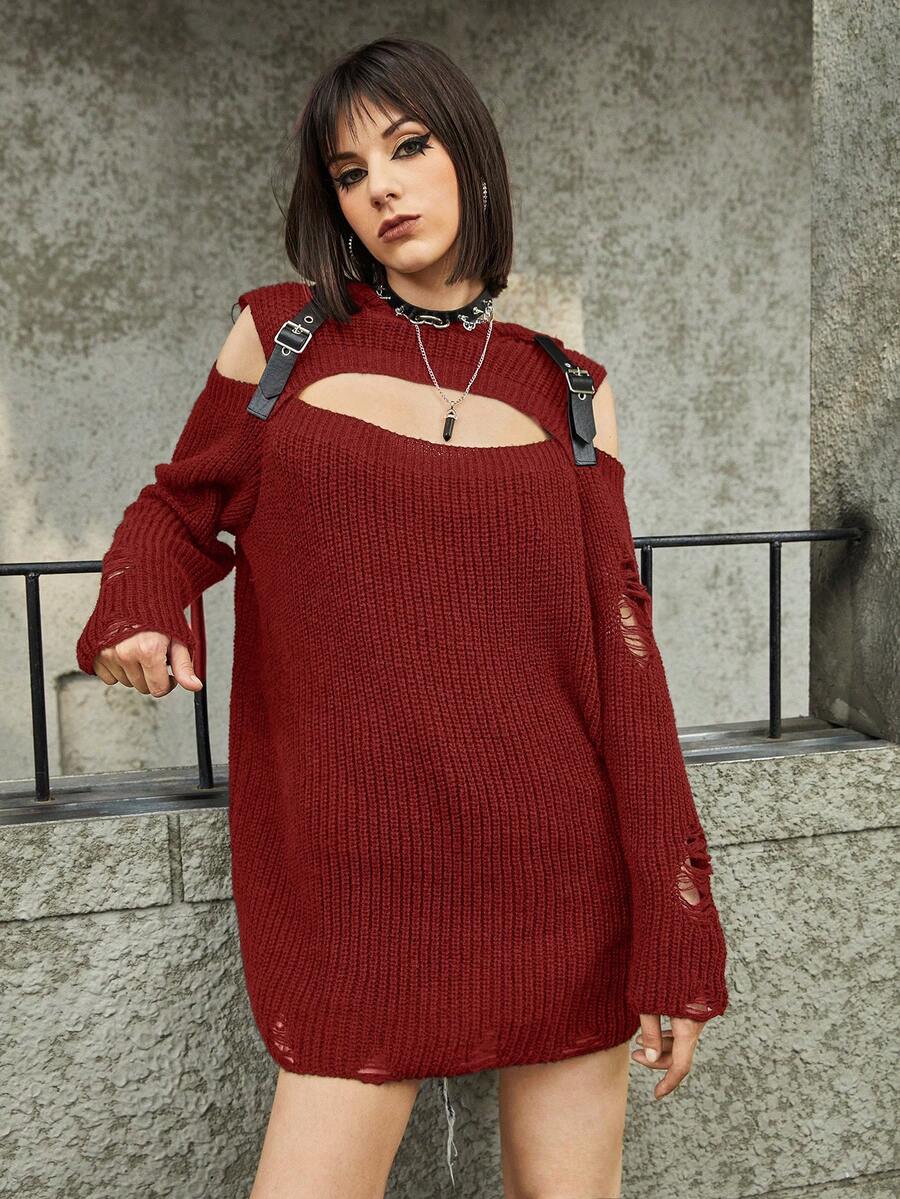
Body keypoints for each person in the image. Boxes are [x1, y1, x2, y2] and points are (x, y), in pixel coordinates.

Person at [75, 36, 729, 1199]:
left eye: (408, 147)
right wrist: (138, 606)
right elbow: (179, 509)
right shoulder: (284, 336)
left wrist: (677, 930)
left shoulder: (570, 386)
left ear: (469, 156)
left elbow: (626, 667)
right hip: (358, 879)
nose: (379, 186)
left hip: (557, 870)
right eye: (348, 171)